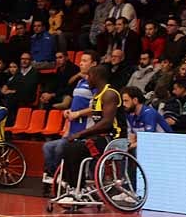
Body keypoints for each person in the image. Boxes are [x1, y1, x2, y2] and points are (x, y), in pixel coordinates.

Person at [56, 65, 128, 193]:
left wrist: (80, 134)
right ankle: (73, 185)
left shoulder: (109, 94)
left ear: (95, 76)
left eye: (89, 76)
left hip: (114, 138)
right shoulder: (97, 95)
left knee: (75, 149)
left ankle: (77, 187)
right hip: (101, 137)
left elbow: (106, 123)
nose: (87, 79)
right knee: (68, 146)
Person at [43, 51, 97, 187]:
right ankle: (55, 175)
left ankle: (66, 178)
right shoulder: (80, 82)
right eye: (81, 60)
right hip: (72, 130)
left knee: (61, 147)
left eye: (85, 61)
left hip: (86, 131)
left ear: (94, 64)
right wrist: (69, 112)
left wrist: (77, 114)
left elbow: (97, 108)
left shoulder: (96, 84)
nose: (81, 63)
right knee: (47, 147)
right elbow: (75, 107)